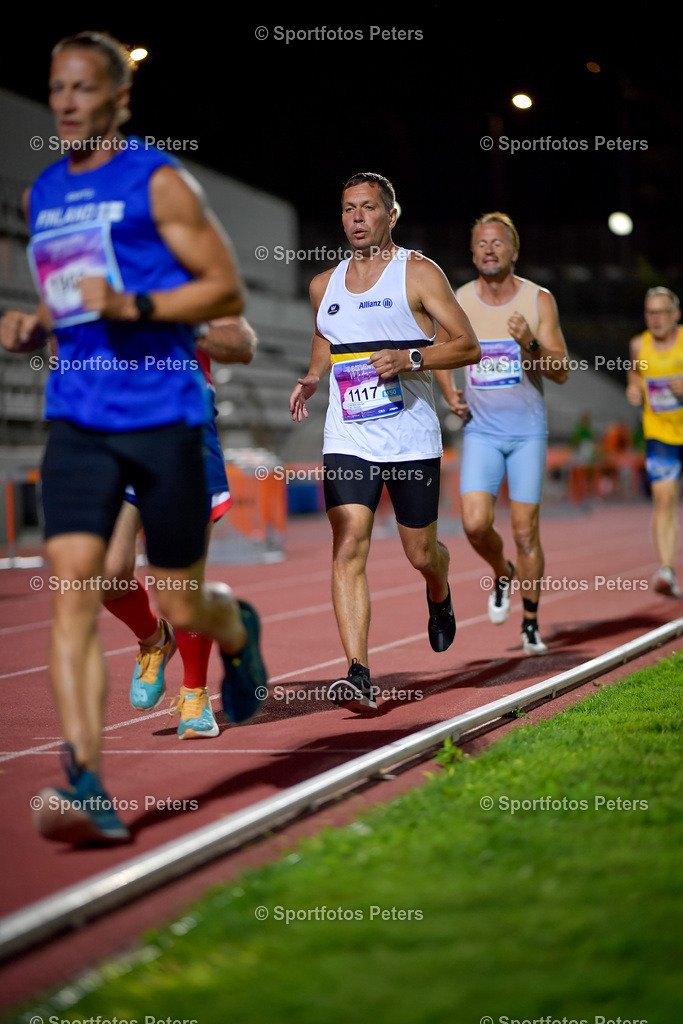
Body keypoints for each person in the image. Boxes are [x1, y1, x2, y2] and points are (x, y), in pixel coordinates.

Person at [0, 31, 266, 844]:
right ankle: (86, 781)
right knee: (74, 591)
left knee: (182, 595)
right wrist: (35, 326)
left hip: (164, 415)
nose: (68, 102)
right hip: (78, 415)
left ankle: (236, 629)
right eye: (57, 88)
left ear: (118, 99)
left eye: (84, 88)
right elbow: (68, 299)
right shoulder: (41, 194)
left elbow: (224, 291)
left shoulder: (159, 181)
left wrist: (133, 307)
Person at [289, 171, 480, 712]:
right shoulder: (322, 285)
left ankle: (439, 590)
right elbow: (327, 334)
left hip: (412, 436)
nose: (356, 218)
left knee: (420, 552)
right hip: (348, 433)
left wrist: (409, 358)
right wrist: (312, 374)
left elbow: (467, 346)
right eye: (348, 208)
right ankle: (358, 671)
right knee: (348, 541)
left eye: (368, 208)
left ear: (390, 215)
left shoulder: (417, 273)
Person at [102, 316, 258, 740]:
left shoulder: (194, 267)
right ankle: (155, 640)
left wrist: (179, 326)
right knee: (106, 573)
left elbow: (242, 345)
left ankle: (195, 692)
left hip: (183, 434)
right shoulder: (94, 267)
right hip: (116, 434)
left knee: (180, 591)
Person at [435, 212, 569, 655]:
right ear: (472, 253)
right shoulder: (461, 299)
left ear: (514, 251)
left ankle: (530, 623)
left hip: (527, 434)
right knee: (474, 525)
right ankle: (502, 570)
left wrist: (530, 342)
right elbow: (438, 351)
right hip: (481, 434)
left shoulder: (538, 300)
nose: (489, 250)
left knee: (526, 531)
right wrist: (450, 393)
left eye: (498, 243)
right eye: (481, 244)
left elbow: (562, 373)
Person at [626, 286, 683, 597]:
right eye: (651, 312)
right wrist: (633, 388)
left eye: (662, 312)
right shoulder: (639, 344)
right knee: (664, 500)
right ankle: (666, 570)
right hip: (660, 433)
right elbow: (635, 374)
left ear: (676, 314)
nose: (656, 318)